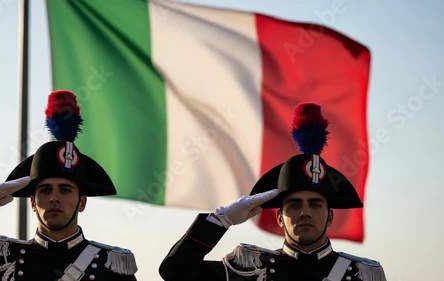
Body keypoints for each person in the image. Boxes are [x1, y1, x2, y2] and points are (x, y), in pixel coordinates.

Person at [159, 102, 387, 281]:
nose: (305, 212)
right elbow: (174, 272)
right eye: (295, 204)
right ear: (279, 217)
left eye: (315, 204)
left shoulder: (361, 275)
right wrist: (221, 220)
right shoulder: (249, 270)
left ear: (330, 216)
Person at [0, 90, 138, 280]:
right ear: (33, 202)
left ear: (82, 202)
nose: (54, 198)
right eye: (45, 190)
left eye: (65, 189)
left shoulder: (111, 269)